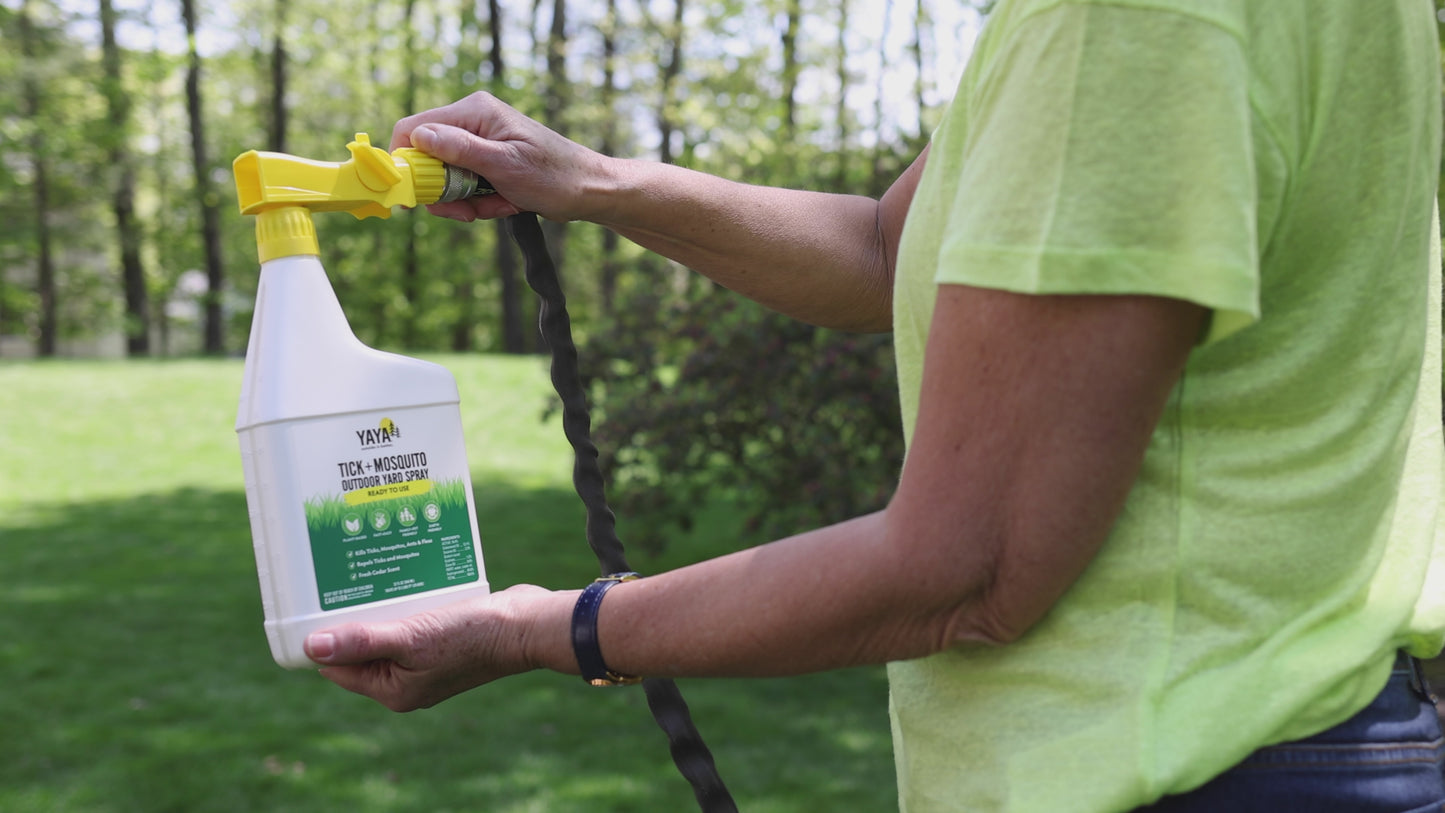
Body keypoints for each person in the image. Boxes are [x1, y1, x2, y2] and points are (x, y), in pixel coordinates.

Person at [301, 1, 1445, 810]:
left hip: (1178, 766)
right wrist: (593, 182)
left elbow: (970, 566)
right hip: (1297, 732)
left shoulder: (1127, 22)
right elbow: (889, 252)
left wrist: (538, 630)